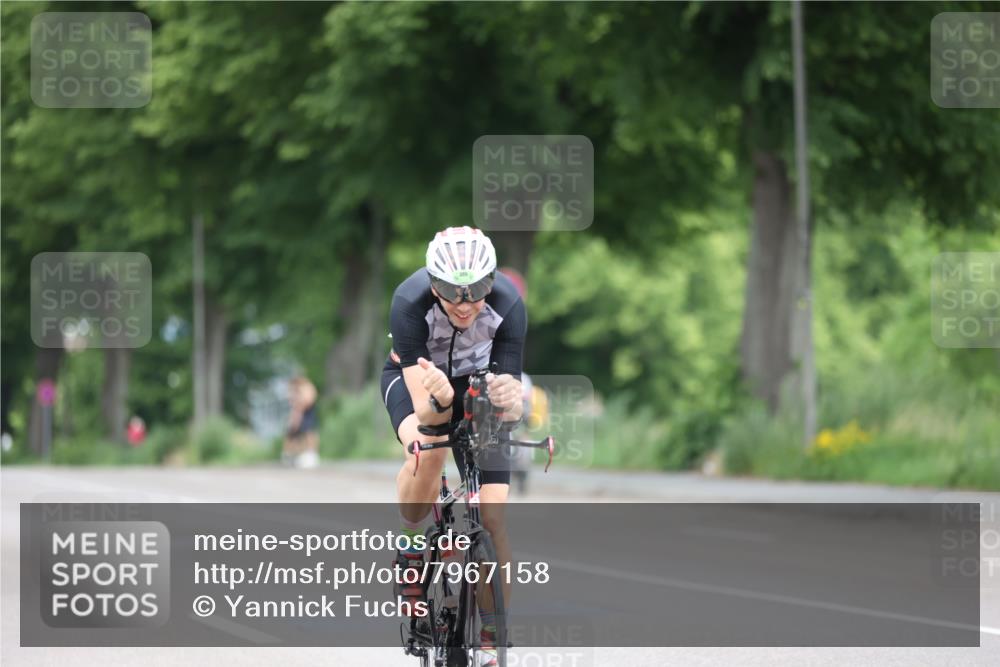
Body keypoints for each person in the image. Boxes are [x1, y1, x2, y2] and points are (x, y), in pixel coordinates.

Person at [381, 226, 525, 666]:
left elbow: (512, 405)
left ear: (492, 281)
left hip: (476, 385)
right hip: (420, 386)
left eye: (476, 291)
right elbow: (429, 414)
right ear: (433, 284)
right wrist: (441, 399)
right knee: (431, 451)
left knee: (494, 513)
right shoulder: (408, 303)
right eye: (451, 292)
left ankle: (490, 634)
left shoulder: (509, 304)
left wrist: (510, 399)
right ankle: (410, 543)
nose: (465, 305)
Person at [283, 376, 319, 469]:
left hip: (306, 412)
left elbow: (308, 401)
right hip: (299, 413)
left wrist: (298, 411)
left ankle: (311, 454)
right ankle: (294, 455)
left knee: (308, 432)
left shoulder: (306, 387)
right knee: (294, 435)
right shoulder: (297, 389)